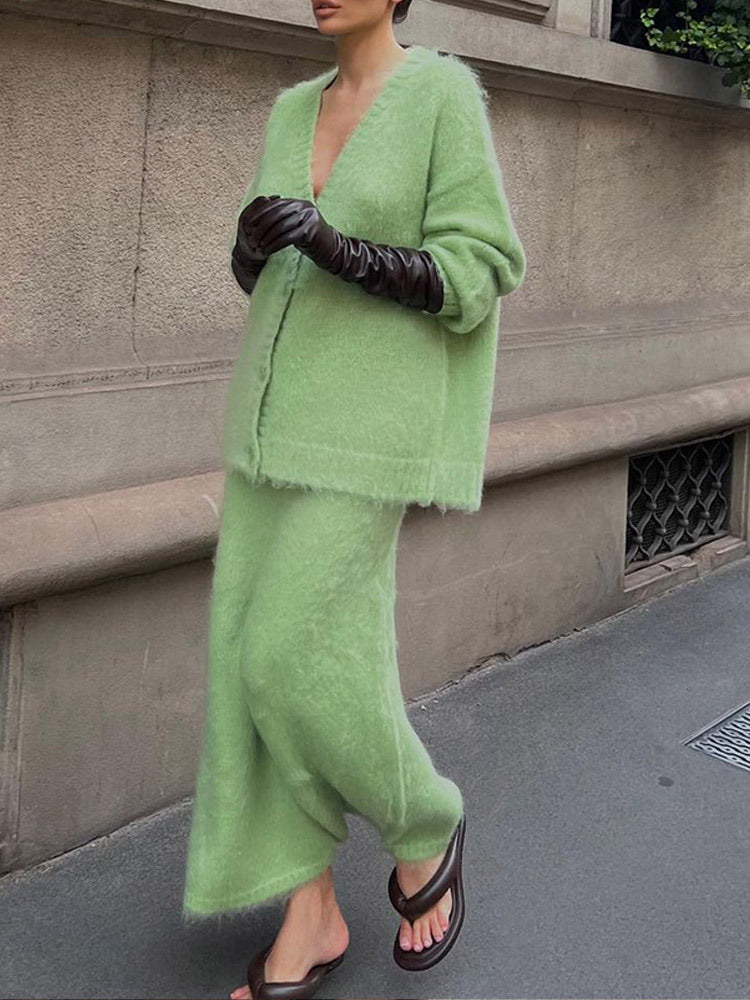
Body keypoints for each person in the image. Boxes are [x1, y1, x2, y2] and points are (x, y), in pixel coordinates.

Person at [182, 0, 527, 997]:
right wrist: (253, 248)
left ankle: (425, 822)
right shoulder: (293, 108)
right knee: (258, 667)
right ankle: (311, 911)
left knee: (284, 655)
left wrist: (341, 248)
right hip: (267, 422)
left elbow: (479, 269)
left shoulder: (442, 93)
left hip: (367, 431)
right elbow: (264, 277)